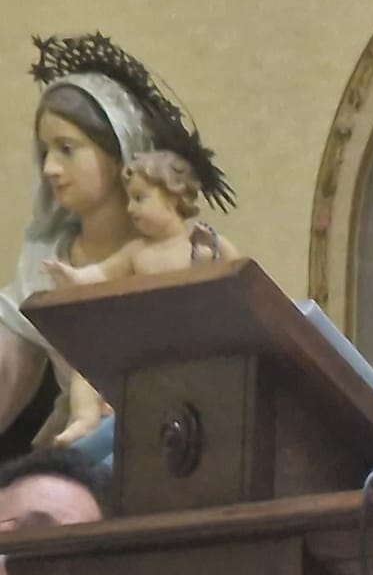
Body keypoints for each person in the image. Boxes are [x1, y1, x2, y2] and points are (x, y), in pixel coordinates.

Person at [0, 34, 233, 459]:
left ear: (117, 155)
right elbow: (7, 374)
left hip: (174, 438)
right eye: (45, 151)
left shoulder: (177, 251)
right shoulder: (44, 259)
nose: (50, 169)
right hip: (81, 435)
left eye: (68, 149)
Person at [42, 149, 239, 444]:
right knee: (90, 360)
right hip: (145, 339)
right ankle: (84, 418)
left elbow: (243, 284)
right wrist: (72, 276)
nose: (131, 208)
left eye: (140, 198)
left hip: (192, 341)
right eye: (129, 199)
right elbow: (100, 274)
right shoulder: (138, 251)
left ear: (174, 196)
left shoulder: (207, 242)